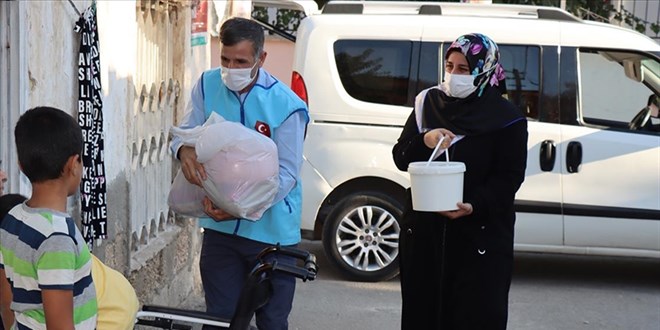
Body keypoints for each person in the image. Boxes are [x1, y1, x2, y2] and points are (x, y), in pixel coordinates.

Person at [169, 17, 309, 329]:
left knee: (272, 321)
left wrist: (240, 210)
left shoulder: (287, 105)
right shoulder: (207, 86)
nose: (231, 69)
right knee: (220, 321)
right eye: (225, 59)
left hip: (272, 236)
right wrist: (183, 150)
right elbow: (183, 133)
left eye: (241, 61)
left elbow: (287, 174)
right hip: (221, 234)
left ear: (261, 58)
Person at [392, 33, 528, 330]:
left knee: (474, 316)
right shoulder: (427, 103)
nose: (453, 75)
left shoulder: (508, 119)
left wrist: (474, 205)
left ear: (486, 70)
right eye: (449, 66)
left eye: (463, 69)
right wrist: (424, 140)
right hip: (425, 235)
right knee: (424, 315)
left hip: (479, 240)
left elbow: (510, 177)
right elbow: (401, 157)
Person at [0, 106, 98, 329]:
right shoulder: (58, 237)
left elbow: (6, 300)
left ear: (21, 166)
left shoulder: (11, 219)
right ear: (73, 165)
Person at [0, 192, 139, 330]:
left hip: (111, 311)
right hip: (119, 294)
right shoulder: (42, 233)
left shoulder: (48, 248)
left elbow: (8, 308)